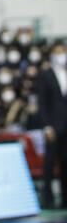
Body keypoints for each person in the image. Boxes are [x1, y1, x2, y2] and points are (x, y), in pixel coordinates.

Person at [36, 40, 67, 209]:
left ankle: (65, 199)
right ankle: (47, 199)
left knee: (65, 163)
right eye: (58, 52)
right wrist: (47, 126)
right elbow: (42, 103)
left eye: (63, 51)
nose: (61, 55)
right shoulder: (45, 75)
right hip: (53, 127)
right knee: (49, 163)